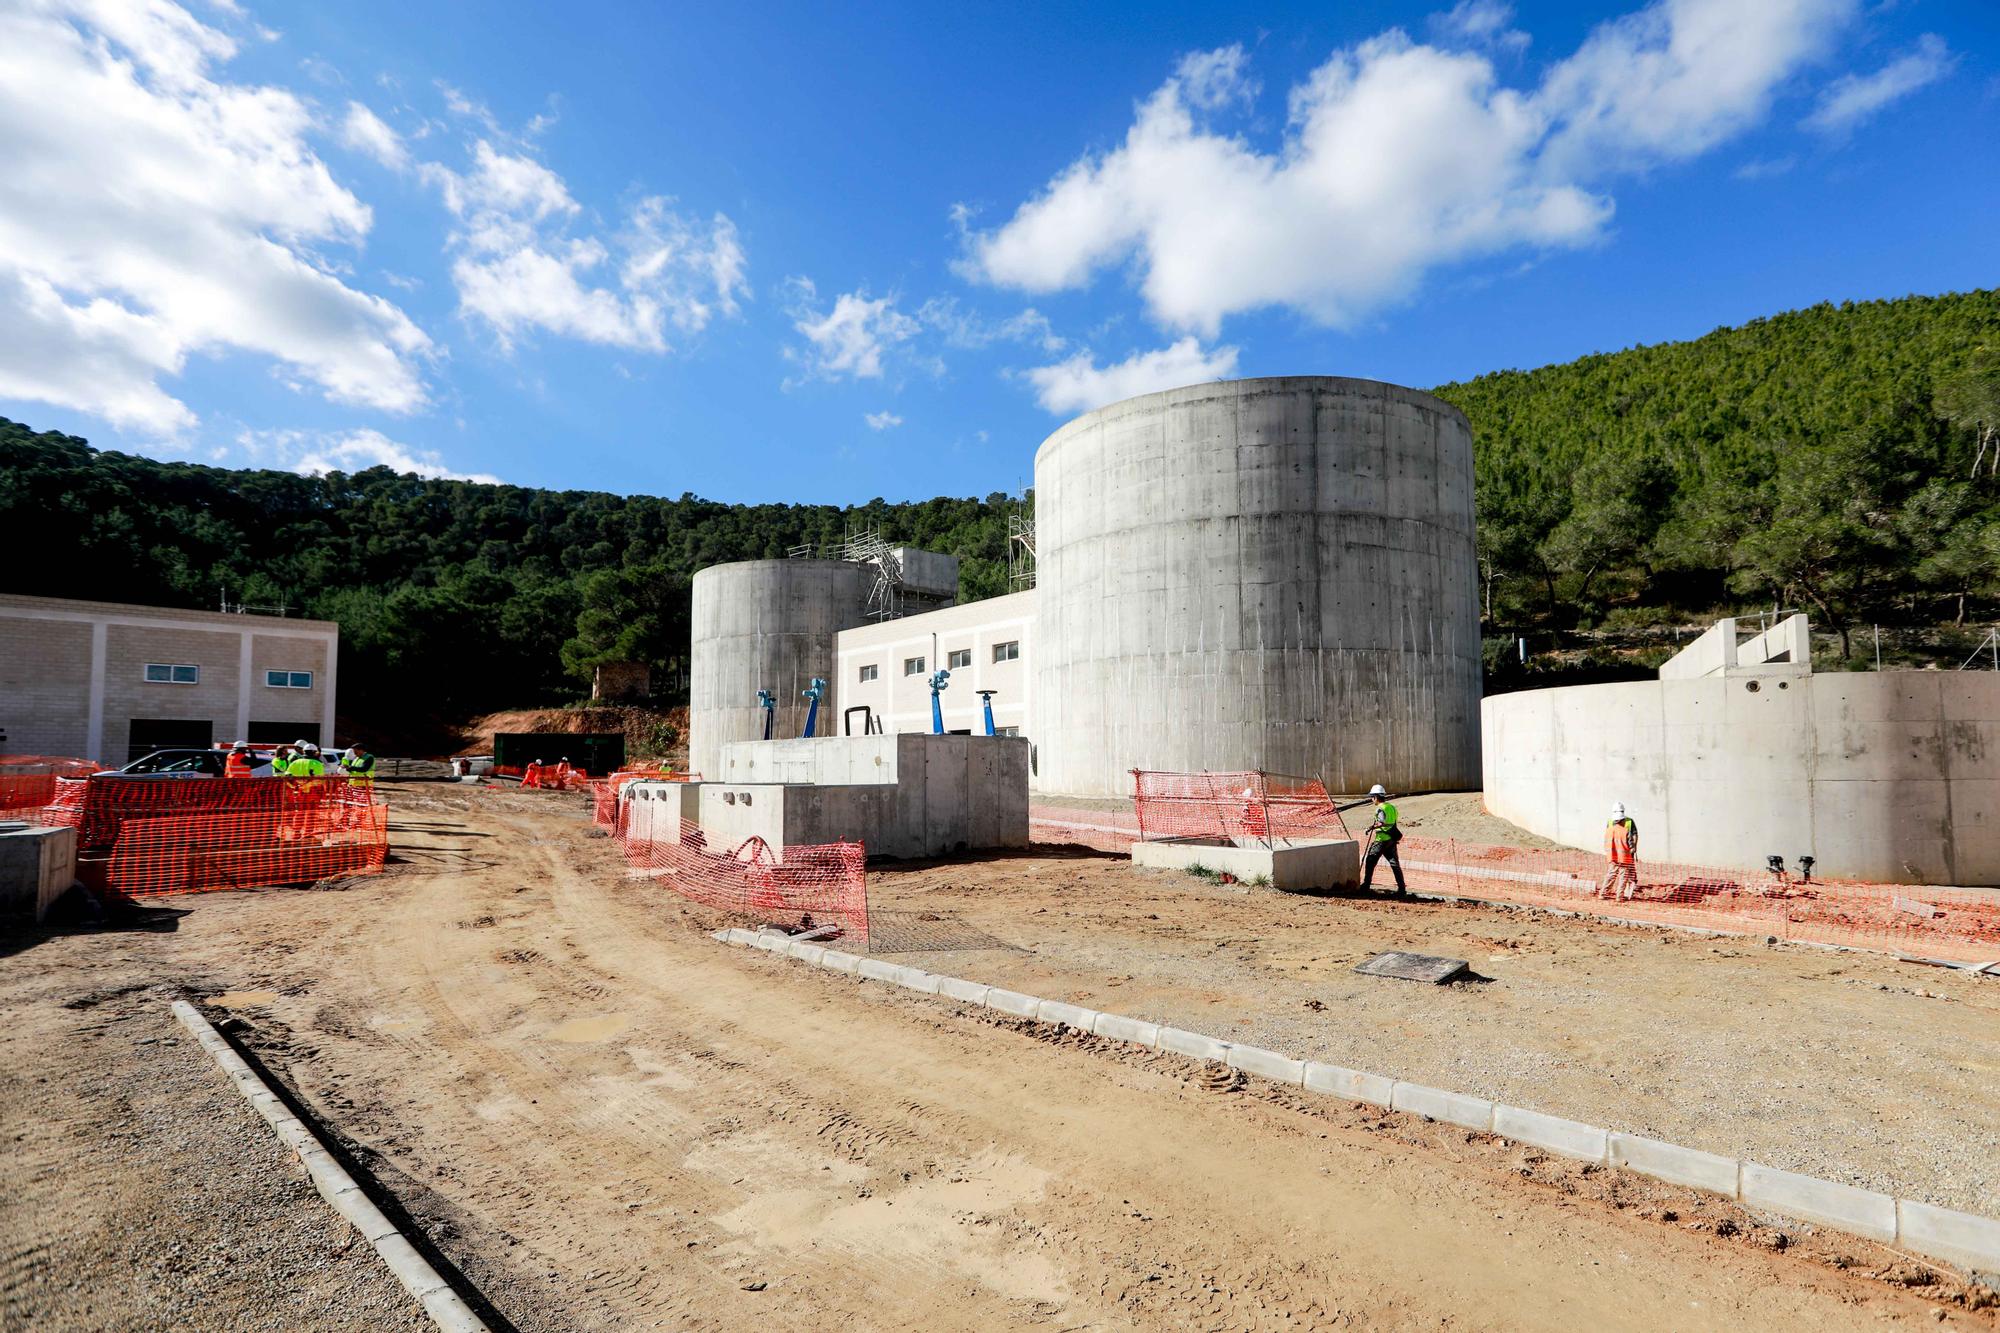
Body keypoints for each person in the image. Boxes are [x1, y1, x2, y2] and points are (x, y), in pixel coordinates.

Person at [1359, 783, 1406, 895]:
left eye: (1372, 797)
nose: (1371, 799)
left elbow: (1381, 822)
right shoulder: (1391, 807)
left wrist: (1371, 827)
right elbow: (1391, 822)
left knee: (1370, 861)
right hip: (1392, 839)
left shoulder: (1380, 808)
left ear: (1376, 797)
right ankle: (1402, 889)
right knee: (1394, 863)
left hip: (1381, 839)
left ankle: (1366, 885)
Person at [1601, 801, 1639, 900]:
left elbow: (1607, 840)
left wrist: (1608, 852)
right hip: (1624, 856)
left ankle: (1603, 893)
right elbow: (1631, 840)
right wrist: (1633, 849)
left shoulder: (1611, 826)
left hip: (1612, 855)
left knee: (1611, 874)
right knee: (1623, 876)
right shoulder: (1625, 829)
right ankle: (1619, 896)